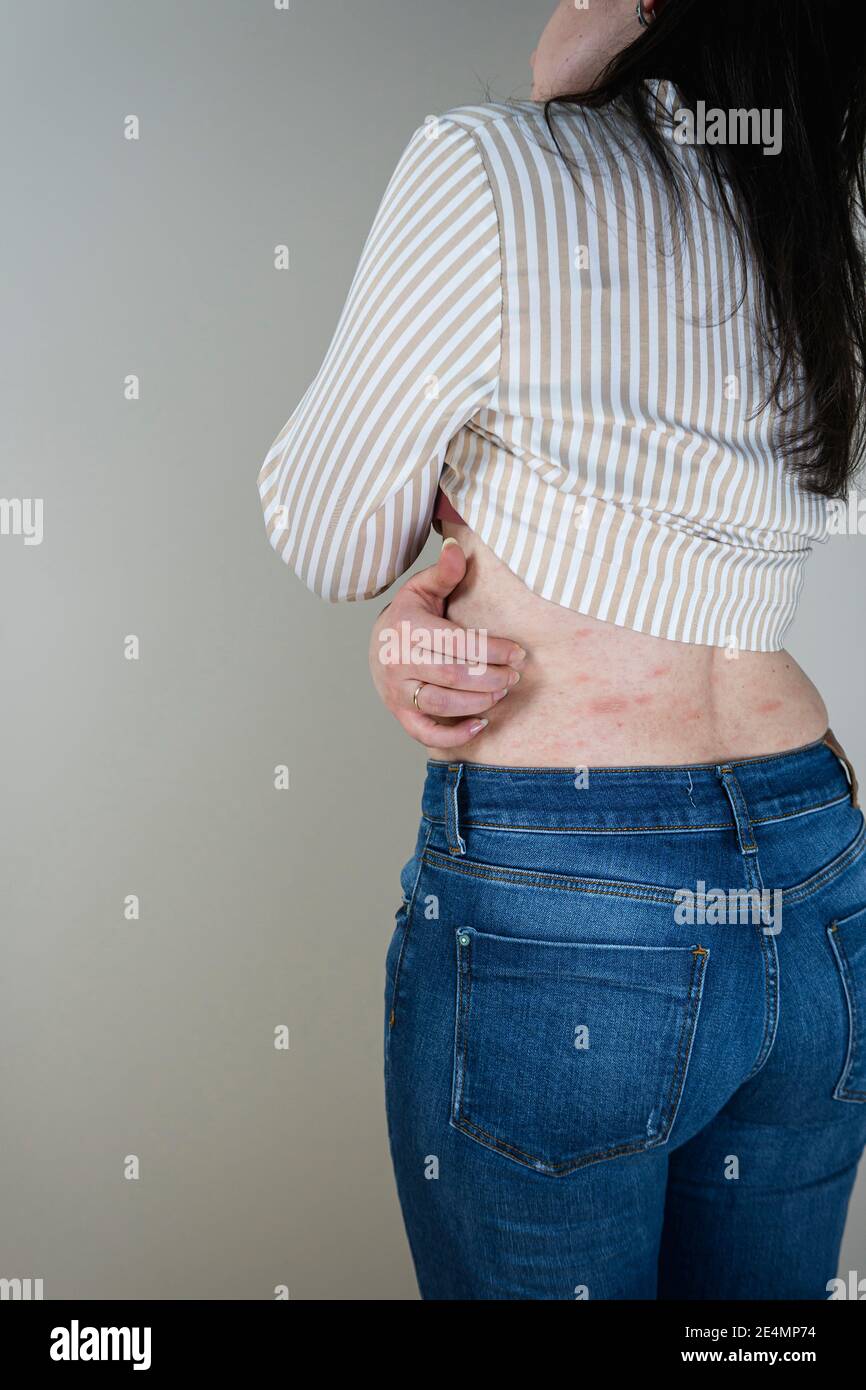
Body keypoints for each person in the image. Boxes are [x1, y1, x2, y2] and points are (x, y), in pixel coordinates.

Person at [257, 0, 866, 1299]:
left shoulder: (493, 166)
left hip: (567, 880)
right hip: (816, 859)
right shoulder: (823, 214)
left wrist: (548, 120)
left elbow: (323, 530)